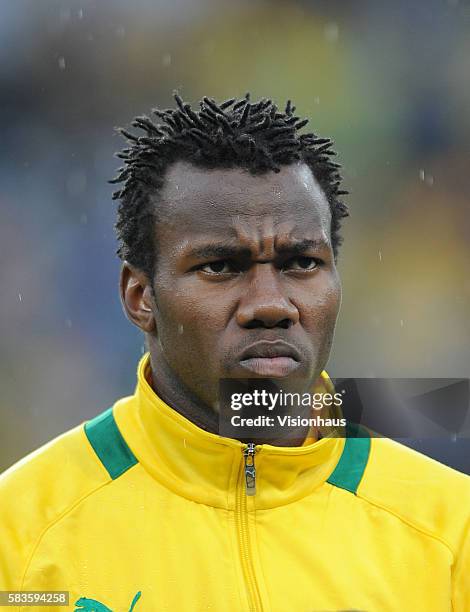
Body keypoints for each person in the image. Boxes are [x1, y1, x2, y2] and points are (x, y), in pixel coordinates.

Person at [0, 93, 469, 611]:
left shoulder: (451, 531)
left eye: (302, 262)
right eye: (221, 267)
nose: (271, 304)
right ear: (140, 297)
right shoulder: (20, 533)